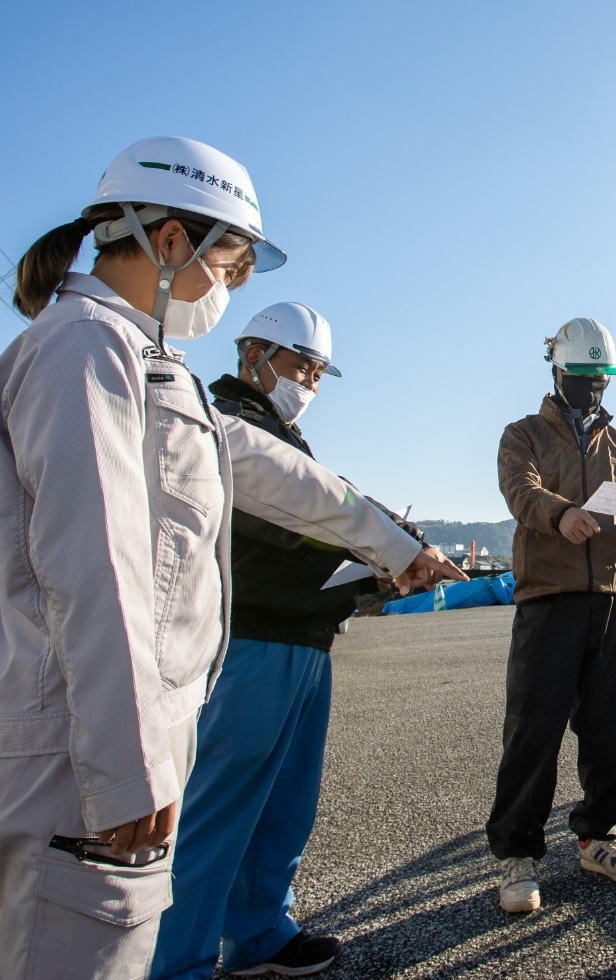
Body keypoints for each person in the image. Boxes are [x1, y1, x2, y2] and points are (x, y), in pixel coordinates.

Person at [0, 137, 455, 980]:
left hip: (119, 736)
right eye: (233, 265)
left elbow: (280, 477)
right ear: (171, 240)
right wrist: (129, 768)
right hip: (76, 747)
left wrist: (394, 545)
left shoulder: (147, 362)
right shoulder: (81, 348)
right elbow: (91, 572)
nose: (230, 289)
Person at [150, 303, 465, 979]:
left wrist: (384, 569)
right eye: (302, 366)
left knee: (281, 809)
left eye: (320, 374)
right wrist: (386, 555)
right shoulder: (221, 427)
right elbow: (287, 533)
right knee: (217, 812)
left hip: (305, 642)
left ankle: (261, 933)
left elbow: (329, 525)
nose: (310, 384)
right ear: (253, 354)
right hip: (252, 641)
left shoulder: (284, 437)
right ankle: (176, 961)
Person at [487, 318, 616, 913]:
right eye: (582, 377)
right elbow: (519, 490)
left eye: (600, 378)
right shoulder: (524, 434)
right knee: (533, 731)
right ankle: (516, 856)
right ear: (558, 371)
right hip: (548, 599)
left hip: (612, 596)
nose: (592, 388)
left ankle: (600, 837)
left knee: (614, 730)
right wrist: (560, 514)